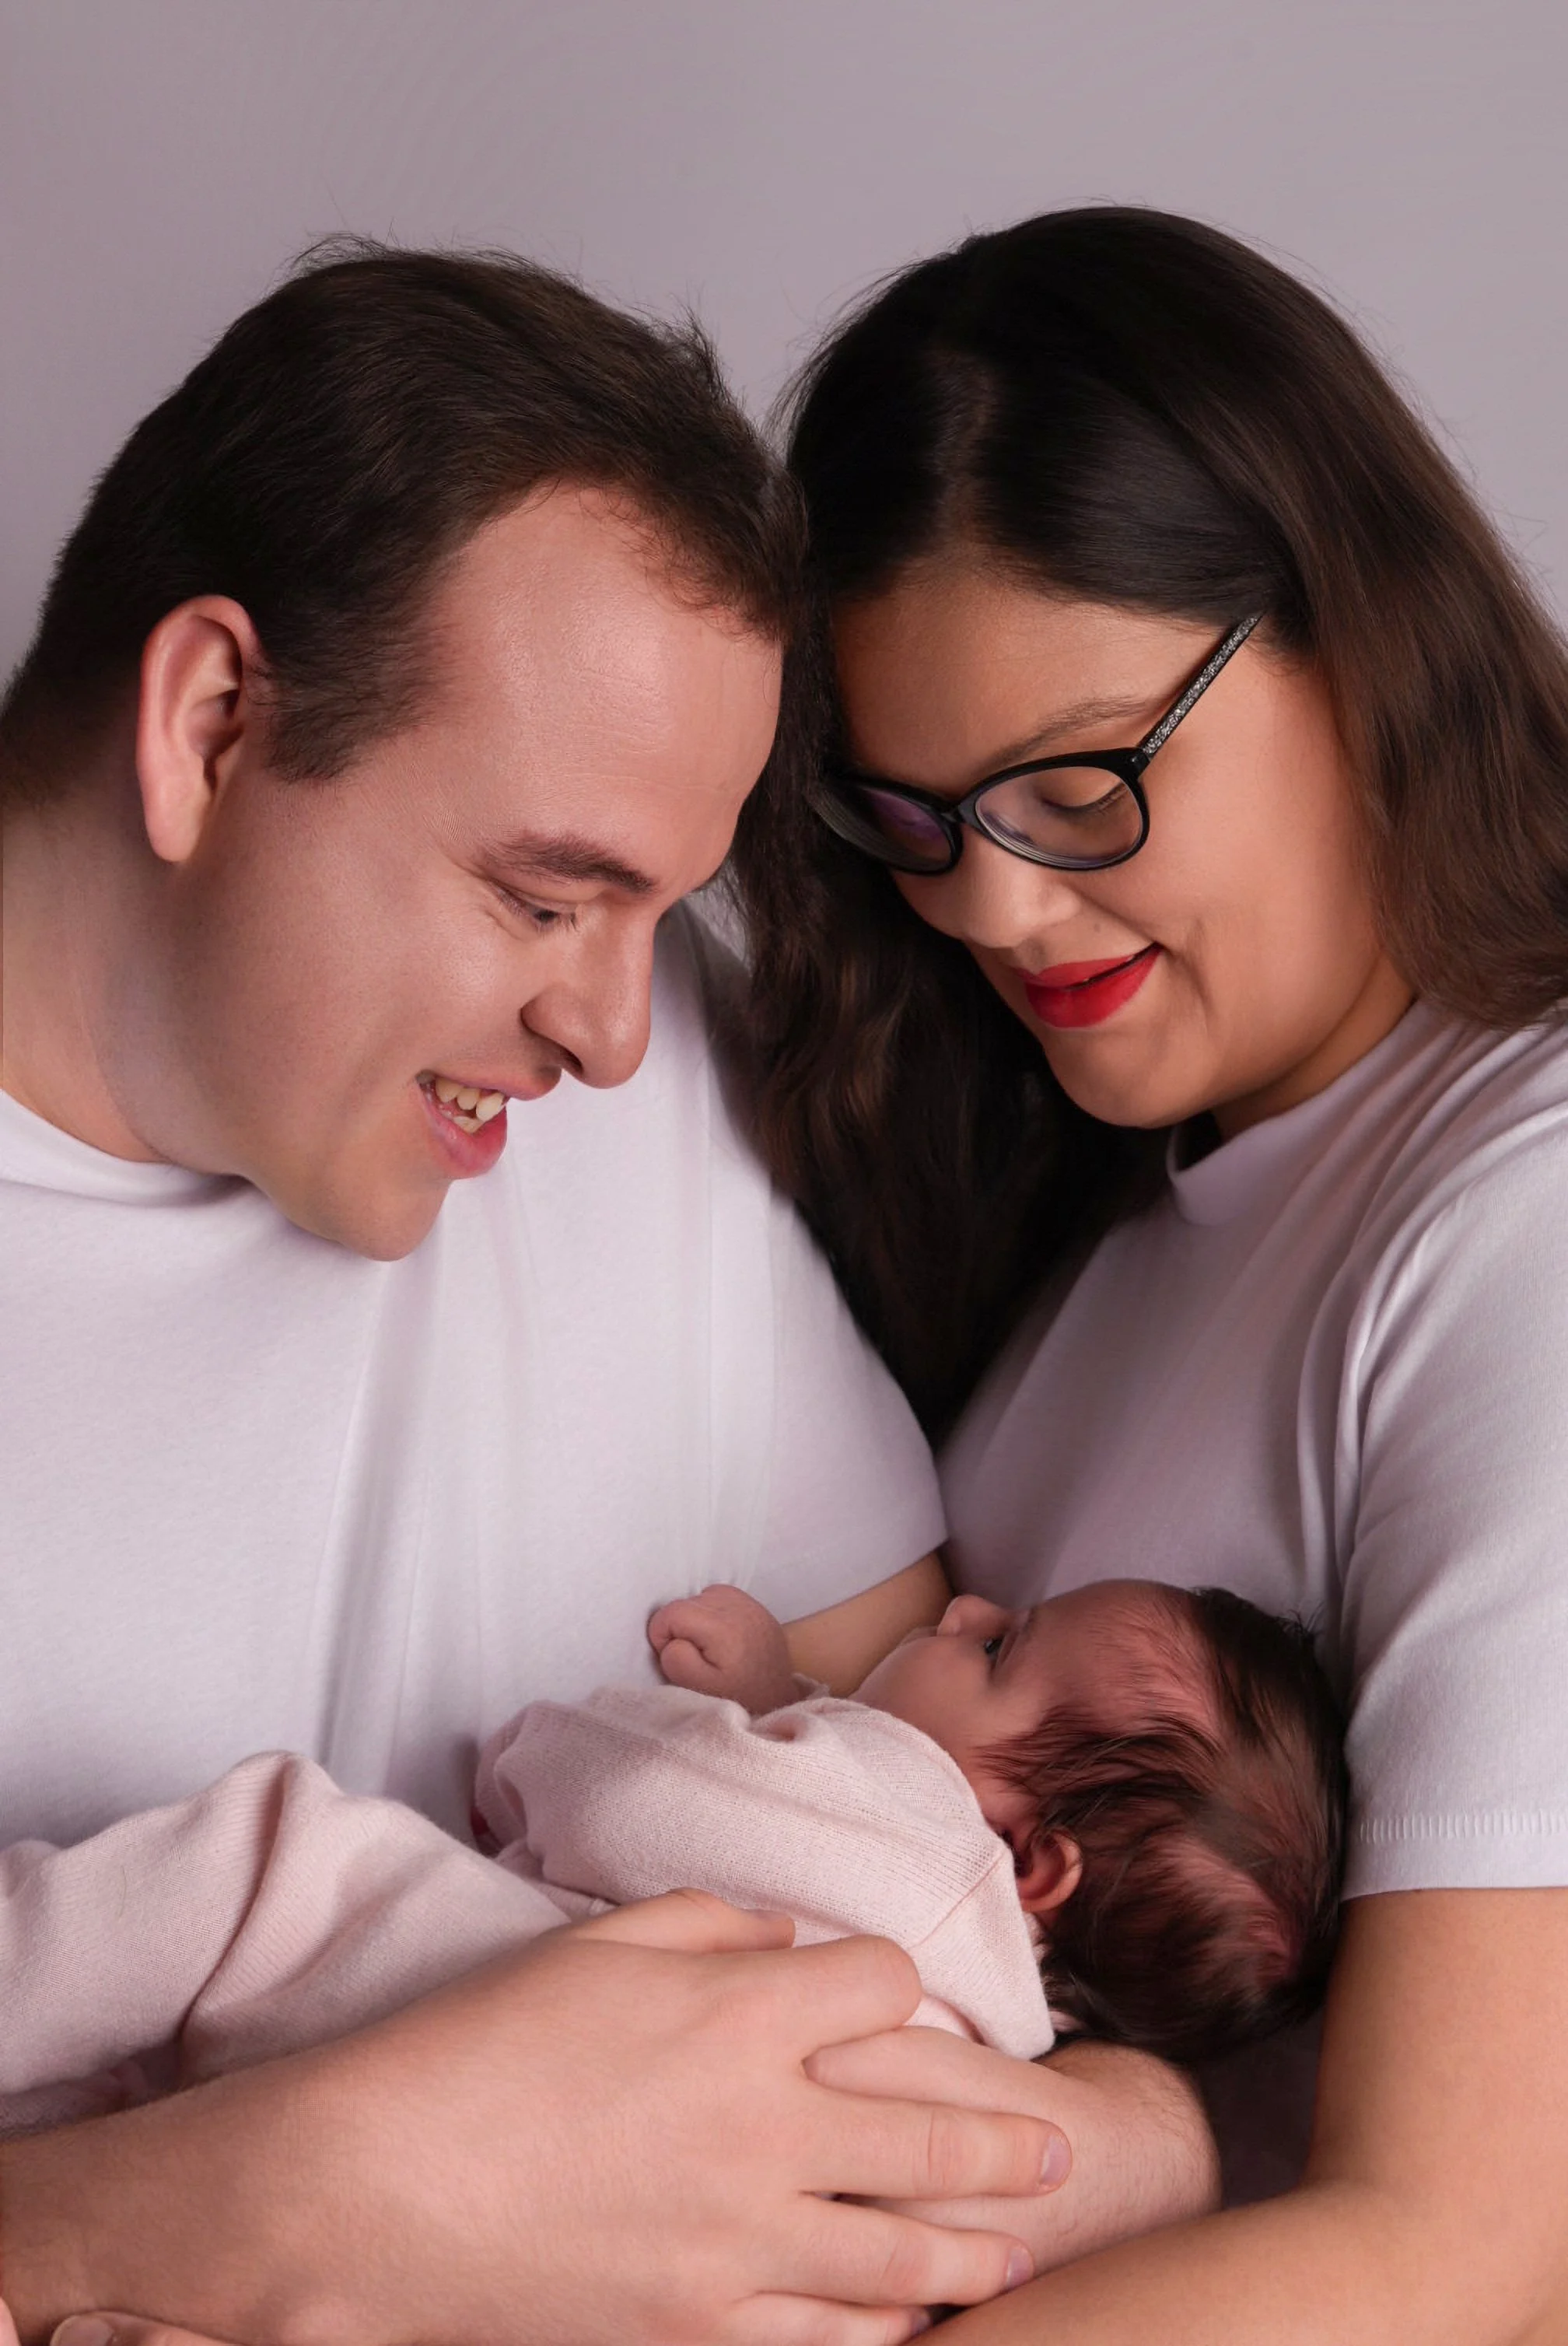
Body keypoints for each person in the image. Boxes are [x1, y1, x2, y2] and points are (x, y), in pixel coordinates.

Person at [0, 242, 1213, 2342]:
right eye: (547, 895)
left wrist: (1098, 2152)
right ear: (209, 724)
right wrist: (267, 2202)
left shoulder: (637, 1116)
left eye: (662, 907)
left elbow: (979, 1896)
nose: (621, 1036)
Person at [730, 203, 1568, 2339]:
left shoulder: (1517, 1216)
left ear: (1350, 633)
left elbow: (1472, 2248)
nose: (998, 917)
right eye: (913, 825)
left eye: (1082, 783)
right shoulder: (1115, 1209)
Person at [0, 1577, 1346, 2129]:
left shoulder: (923, 1855)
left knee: (262, 1863)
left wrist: (527, 1758)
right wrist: (793, 1705)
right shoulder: (990, 2040)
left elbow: (650, 1791)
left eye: (1000, 1652)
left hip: (450, 2021)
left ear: (1031, 1859)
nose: (971, 1604)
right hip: (525, 2181)